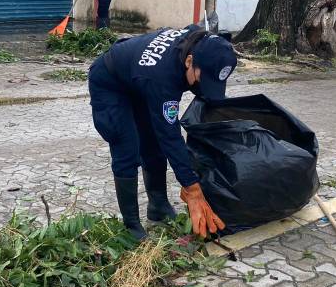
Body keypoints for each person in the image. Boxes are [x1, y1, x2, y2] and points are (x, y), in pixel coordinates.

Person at [88, 24, 237, 240]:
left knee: (153, 145)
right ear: (189, 61)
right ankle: (131, 227)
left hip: (137, 79)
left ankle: (158, 206)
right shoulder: (162, 78)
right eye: (201, 78)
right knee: (127, 149)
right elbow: (170, 135)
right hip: (110, 83)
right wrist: (192, 187)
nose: (201, 86)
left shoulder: (199, 42)